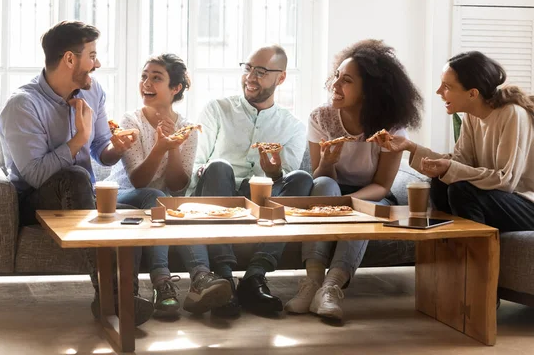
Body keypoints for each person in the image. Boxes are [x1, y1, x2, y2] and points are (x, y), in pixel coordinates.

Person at [0, 20, 153, 325]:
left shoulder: (93, 92)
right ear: (70, 59)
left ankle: (125, 298)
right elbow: (35, 175)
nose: (98, 63)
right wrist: (76, 141)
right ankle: (110, 294)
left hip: (83, 197)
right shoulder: (23, 105)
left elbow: (100, 151)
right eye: (92, 55)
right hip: (35, 201)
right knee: (76, 176)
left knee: (131, 215)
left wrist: (116, 147)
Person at [285, 39, 423, 321]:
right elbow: (320, 178)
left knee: (363, 211)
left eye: (346, 81)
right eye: (336, 76)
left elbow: (383, 185)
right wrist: (328, 163)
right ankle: (311, 282)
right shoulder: (321, 117)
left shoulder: (392, 127)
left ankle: (331, 286)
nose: (335, 85)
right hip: (330, 189)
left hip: (371, 194)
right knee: (324, 184)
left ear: (369, 91)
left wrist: (350, 204)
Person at [189, 45, 314, 316]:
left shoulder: (292, 126)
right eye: (247, 68)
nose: (250, 77)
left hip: (260, 194)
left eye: (260, 72)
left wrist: (275, 172)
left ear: (280, 78)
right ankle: (223, 280)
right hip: (217, 189)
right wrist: (203, 178)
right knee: (219, 167)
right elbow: (196, 163)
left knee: (302, 178)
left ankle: (254, 277)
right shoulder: (217, 109)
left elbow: (286, 178)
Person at [106, 54, 231, 317]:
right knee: (156, 196)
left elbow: (178, 186)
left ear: (175, 88)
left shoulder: (188, 127)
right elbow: (137, 180)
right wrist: (160, 147)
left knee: (175, 204)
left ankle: (200, 280)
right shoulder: (132, 121)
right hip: (124, 197)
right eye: (144, 76)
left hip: (160, 201)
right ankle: (163, 282)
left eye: (156, 78)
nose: (146, 83)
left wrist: (173, 146)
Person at [373, 51, 534, 233]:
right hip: (498, 199)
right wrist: (410, 147)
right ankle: (447, 252)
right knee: (440, 184)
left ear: (472, 94)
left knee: (461, 190)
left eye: (447, 86)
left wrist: (449, 168)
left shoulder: (512, 114)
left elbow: (506, 181)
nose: (439, 92)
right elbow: (460, 163)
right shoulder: (471, 117)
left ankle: (473, 255)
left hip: (525, 204)